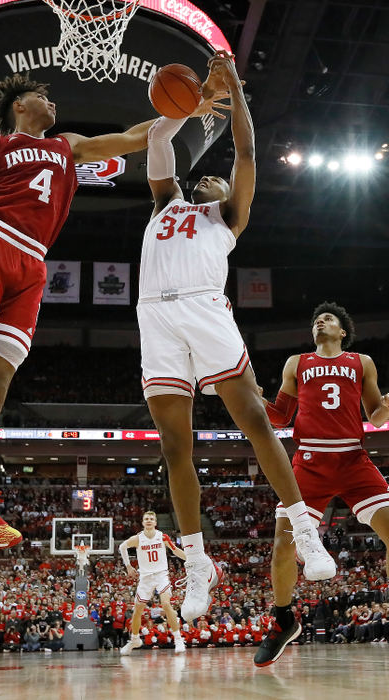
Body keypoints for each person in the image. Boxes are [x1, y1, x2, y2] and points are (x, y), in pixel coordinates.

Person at [0, 70, 177, 564]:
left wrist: (188, 107)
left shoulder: (68, 145)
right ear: (19, 105)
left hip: (33, 262)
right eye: (42, 95)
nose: (51, 101)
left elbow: (134, 137)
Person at [136, 51, 336, 627]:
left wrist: (236, 97)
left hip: (203, 308)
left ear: (225, 193)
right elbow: (157, 140)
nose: (206, 178)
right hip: (155, 317)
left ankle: (304, 528)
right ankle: (196, 564)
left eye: (214, 179)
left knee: (253, 419)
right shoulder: (165, 201)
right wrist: (192, 107)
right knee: (175, 446)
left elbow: (246, 153)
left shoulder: (227, 217)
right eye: (202, 175)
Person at [254, 301, 389, 666]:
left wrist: (388, 406)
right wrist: (254, 398)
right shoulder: (297, 363)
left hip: (352, 458)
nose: (320, 321)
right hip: (309, 460)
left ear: (342, 331)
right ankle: (283, 621)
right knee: (283, 542)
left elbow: (375, 417)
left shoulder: (362, 362)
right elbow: (281, 416)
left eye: (327, 319)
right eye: (316, 319)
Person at [118, 511, 187, 655]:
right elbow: (122, 547)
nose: (149, 521)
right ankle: (135, 639)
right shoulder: (138, 538)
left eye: (151, 519)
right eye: (146, 519)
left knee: (166, 604)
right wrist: (128, 566)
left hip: (161, 575)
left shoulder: (162, 537)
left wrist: (191, 559)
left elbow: (176, 551)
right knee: (137, 611)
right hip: (145, 577)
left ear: (155, 522)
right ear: (143, 522)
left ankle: (178, 639)